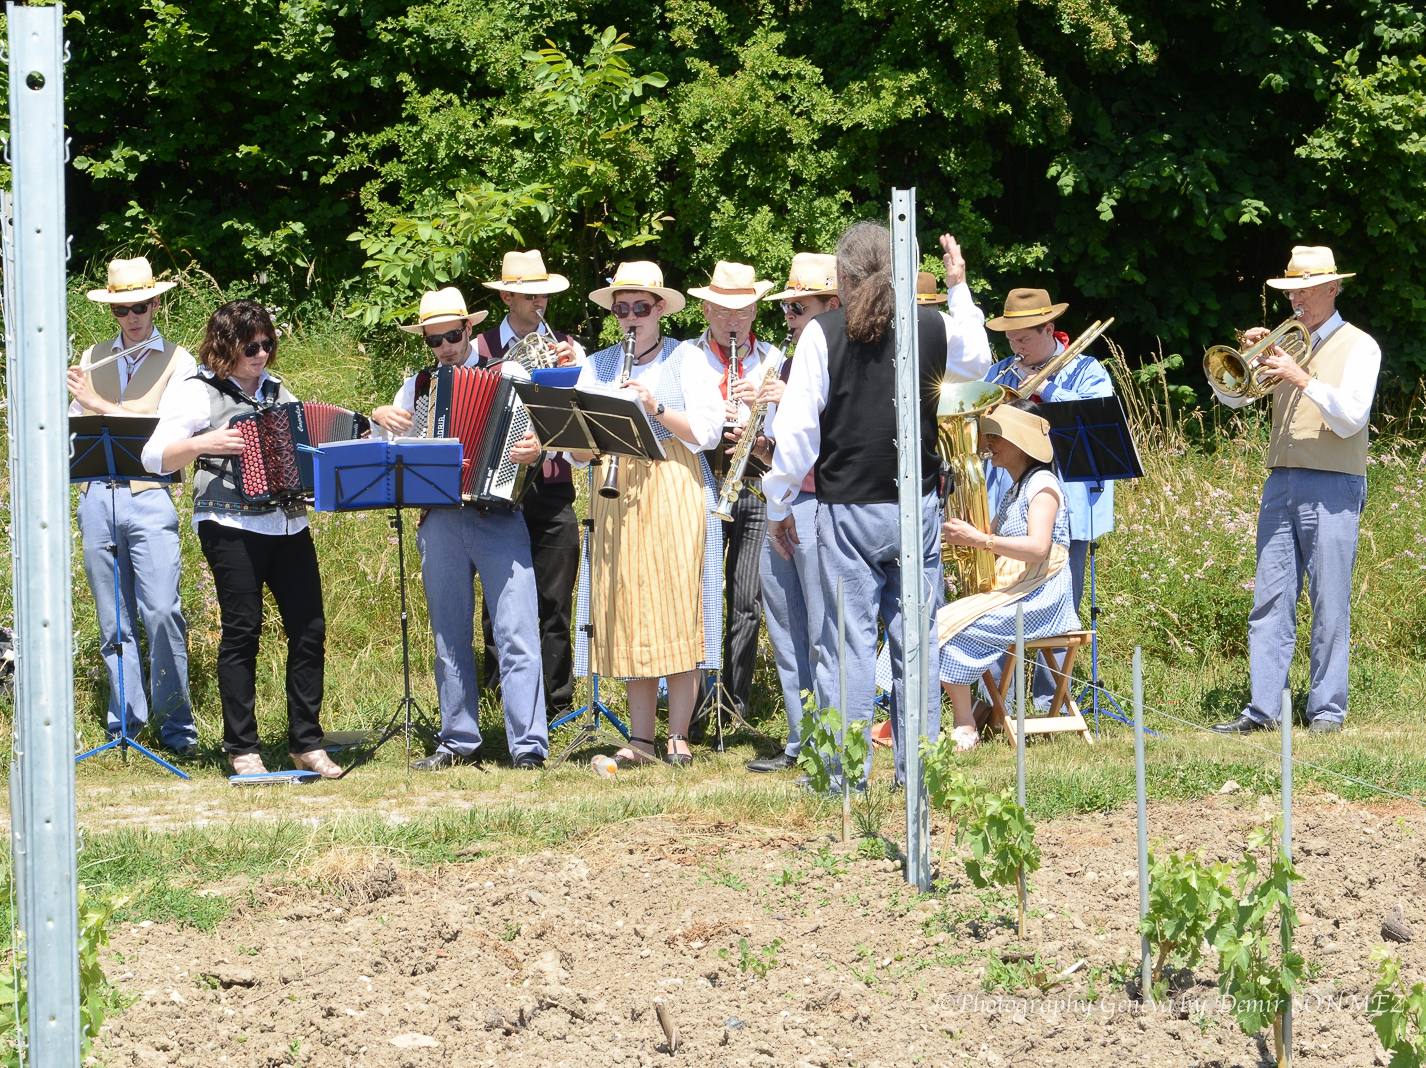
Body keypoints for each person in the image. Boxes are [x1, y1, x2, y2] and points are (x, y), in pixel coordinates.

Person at [762, 221, 948, 787]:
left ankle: (843, 776)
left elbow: (795, 438)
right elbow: (978, 361)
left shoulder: (823, 333)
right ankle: (919, 773)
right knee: (917, 641)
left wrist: (778, 503)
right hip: (915, 506)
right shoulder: (932, 324)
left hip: (848, 511)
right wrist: (957, 288)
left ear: (842, 275)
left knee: (847, 645)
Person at [141, 300, 339, 777]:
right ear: (225, 345)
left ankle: (306, 742)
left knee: (309, 629)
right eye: (251, 346)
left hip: (288, 523)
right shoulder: (195, 392)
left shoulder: (278, 391)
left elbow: (305, 447)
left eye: (268, 344)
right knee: (243, 631)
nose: (262, 354)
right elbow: (153, 457)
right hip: (229, 525)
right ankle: (241, 747)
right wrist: (202, 444)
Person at [369, 287, 550, 769]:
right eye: (434, 341)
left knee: (516, 632)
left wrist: (536, 450)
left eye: (451, 336)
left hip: (500, 515)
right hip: (441, 520)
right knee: (449, 634)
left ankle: (528, 747)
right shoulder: (416, 386)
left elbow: (544, 438)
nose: (444, 348)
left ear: (469, 329)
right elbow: (386, 449)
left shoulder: (508, 373)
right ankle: (457, 741)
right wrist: (379, 419)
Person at [1207, 246, 1380, 735]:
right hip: (1280, 478)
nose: (1297, 300)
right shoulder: (1286, 346)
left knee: (1329, 599)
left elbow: (1352, 418)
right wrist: (1246, 360)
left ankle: (1326, 710)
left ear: (1332, 289)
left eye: (1305, 290)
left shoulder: (1360, 345)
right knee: (1270, 598)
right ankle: (1262, 709)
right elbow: (1232, 400)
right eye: (1291, 291)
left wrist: (1302, 378)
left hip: (1334, 482)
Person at [570, 261, 725, 765]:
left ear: (660, 308)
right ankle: (641, 739)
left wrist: (654, 406)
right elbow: (576, 454)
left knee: (679, 604)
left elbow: (707, 434)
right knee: (631, 607)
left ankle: (678, 734)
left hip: (674, 485)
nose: (630, 317)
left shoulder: (690, 359)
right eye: (622, 309)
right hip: (615, 492)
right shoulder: (597, 365)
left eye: (640, 307)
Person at [70, 256, 197, 756]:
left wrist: (98, 406)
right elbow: (73, 432)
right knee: (113, 623)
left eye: (141, 306)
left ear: (156, 302)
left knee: (163, 611)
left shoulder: (180, 361)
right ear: (114, 312)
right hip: (97, 497)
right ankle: (125, 729)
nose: (133, 318)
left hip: (149, 497)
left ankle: (176, 729)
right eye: (123, 310)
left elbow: (170, 432)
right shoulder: (92, 356)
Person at [982, 287, 1114, 705]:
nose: (1016, 347)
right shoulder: (1000, 372)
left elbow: (1097, 414)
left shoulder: (1085, 369)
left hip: (1069, 505)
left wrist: (1044, 391)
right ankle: (997, 703)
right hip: (1009, 501)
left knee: (1057, 605)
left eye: (1024, 338)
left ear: (1049, 330)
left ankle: (1048, 704)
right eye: (1011, 340)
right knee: (998, 599)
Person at [476, 250, 586, 719]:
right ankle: (501, 702)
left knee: (554, 601)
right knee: (497, 606)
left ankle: (557, 704)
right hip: (497, 488)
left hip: (552, 485)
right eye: (528, 293)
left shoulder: (567, 346)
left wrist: (568, 373)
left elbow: (582, 424)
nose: (539, 299)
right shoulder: (478, 348)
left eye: (543, 292)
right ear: (507, 297)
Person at [742, 253, 839, 773]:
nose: (790, 316)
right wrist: (756, 446)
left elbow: (839, 441)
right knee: (784, 625)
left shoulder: (841, 357)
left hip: (821, 504)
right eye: (786, 308)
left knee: (824, 630)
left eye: (799, 307)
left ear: (832, 307)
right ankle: (800, 740)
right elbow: (783, 451)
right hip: (780, 501)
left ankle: (831, 744)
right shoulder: (784, 363)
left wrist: (801, 400)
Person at [936, 402, 1080, 751]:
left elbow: (1037, 548)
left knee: (954, 628)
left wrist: (978, 539)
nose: (987, 443)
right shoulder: (1014, 489)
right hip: (1024, 589)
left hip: (1044, 596)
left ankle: (966, 722)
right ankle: (973, 710)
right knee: (936, 622)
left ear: (1022, 445)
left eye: (996, 437)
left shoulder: (1043, 484)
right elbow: (992, 539)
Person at [678, 261, 782, 735]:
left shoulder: (775, 361)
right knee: (698, 596)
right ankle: (694, 704)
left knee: (746, 600)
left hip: (756, 483)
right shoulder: (688, 357)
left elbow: (790, 438)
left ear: (756, 310)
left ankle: (733, 704)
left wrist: (758, 423)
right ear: (706, 309)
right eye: (723, 309)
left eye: (742, 310)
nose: (732, 319)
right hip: (701, 480)